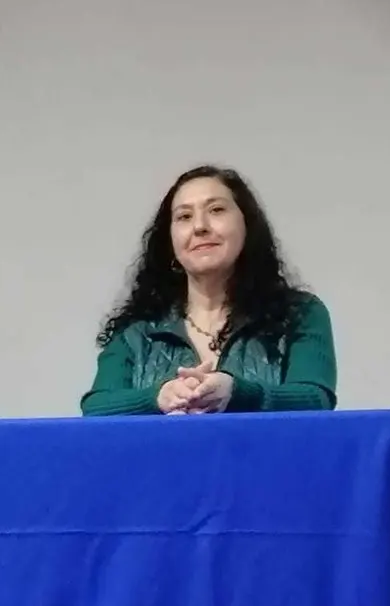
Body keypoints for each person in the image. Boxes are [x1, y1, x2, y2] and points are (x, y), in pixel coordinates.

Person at [81, 165, 336, 417]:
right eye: (184, 217)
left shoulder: (300, 314)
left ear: (247, 226)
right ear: (170, 241)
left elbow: (316, 398)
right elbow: (97, 407)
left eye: (216, 210)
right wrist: (158, 397)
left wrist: (237, 392)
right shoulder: (136, 329)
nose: (200, 227)